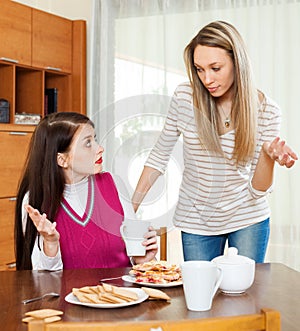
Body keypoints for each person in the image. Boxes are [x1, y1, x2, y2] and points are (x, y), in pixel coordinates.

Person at [131, 21, 298, 263]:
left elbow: (257, 190)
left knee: (244, 296)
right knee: (200, 297)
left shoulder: (267, 111)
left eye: (215, 68)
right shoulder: (185, 98)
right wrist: (130, 208)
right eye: (199, 69)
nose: (207, 79)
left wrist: (267, 155)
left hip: (248, 218)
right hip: (197, 220)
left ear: (237, 63)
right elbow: (159, 155)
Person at [15, 112, 157, 270]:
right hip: (70, 295)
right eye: (88, 143)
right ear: (62, 159)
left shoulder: (114, 184)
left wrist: (143, 260)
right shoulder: (34, 200)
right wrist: (51, 243)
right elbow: (43, 280)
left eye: (94, 139)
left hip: (124, 293)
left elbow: (138, 258)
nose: (100, 149)